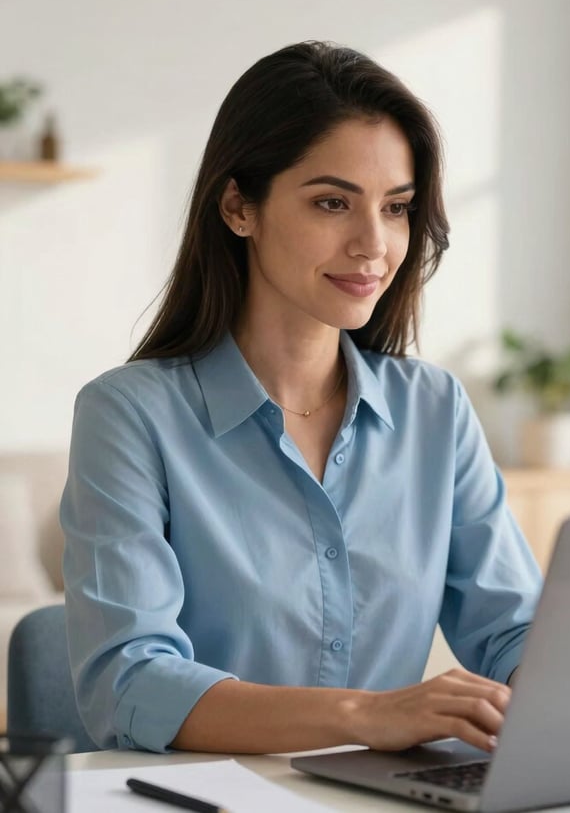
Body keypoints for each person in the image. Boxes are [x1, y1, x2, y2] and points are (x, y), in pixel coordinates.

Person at [60, 40, 542, 756]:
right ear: (237, 206)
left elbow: (511, 630)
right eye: (331, 202)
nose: (373, 244)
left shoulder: (434, 409)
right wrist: (366, 716)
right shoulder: (130, 416)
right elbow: (130, 682)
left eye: (397, 207)